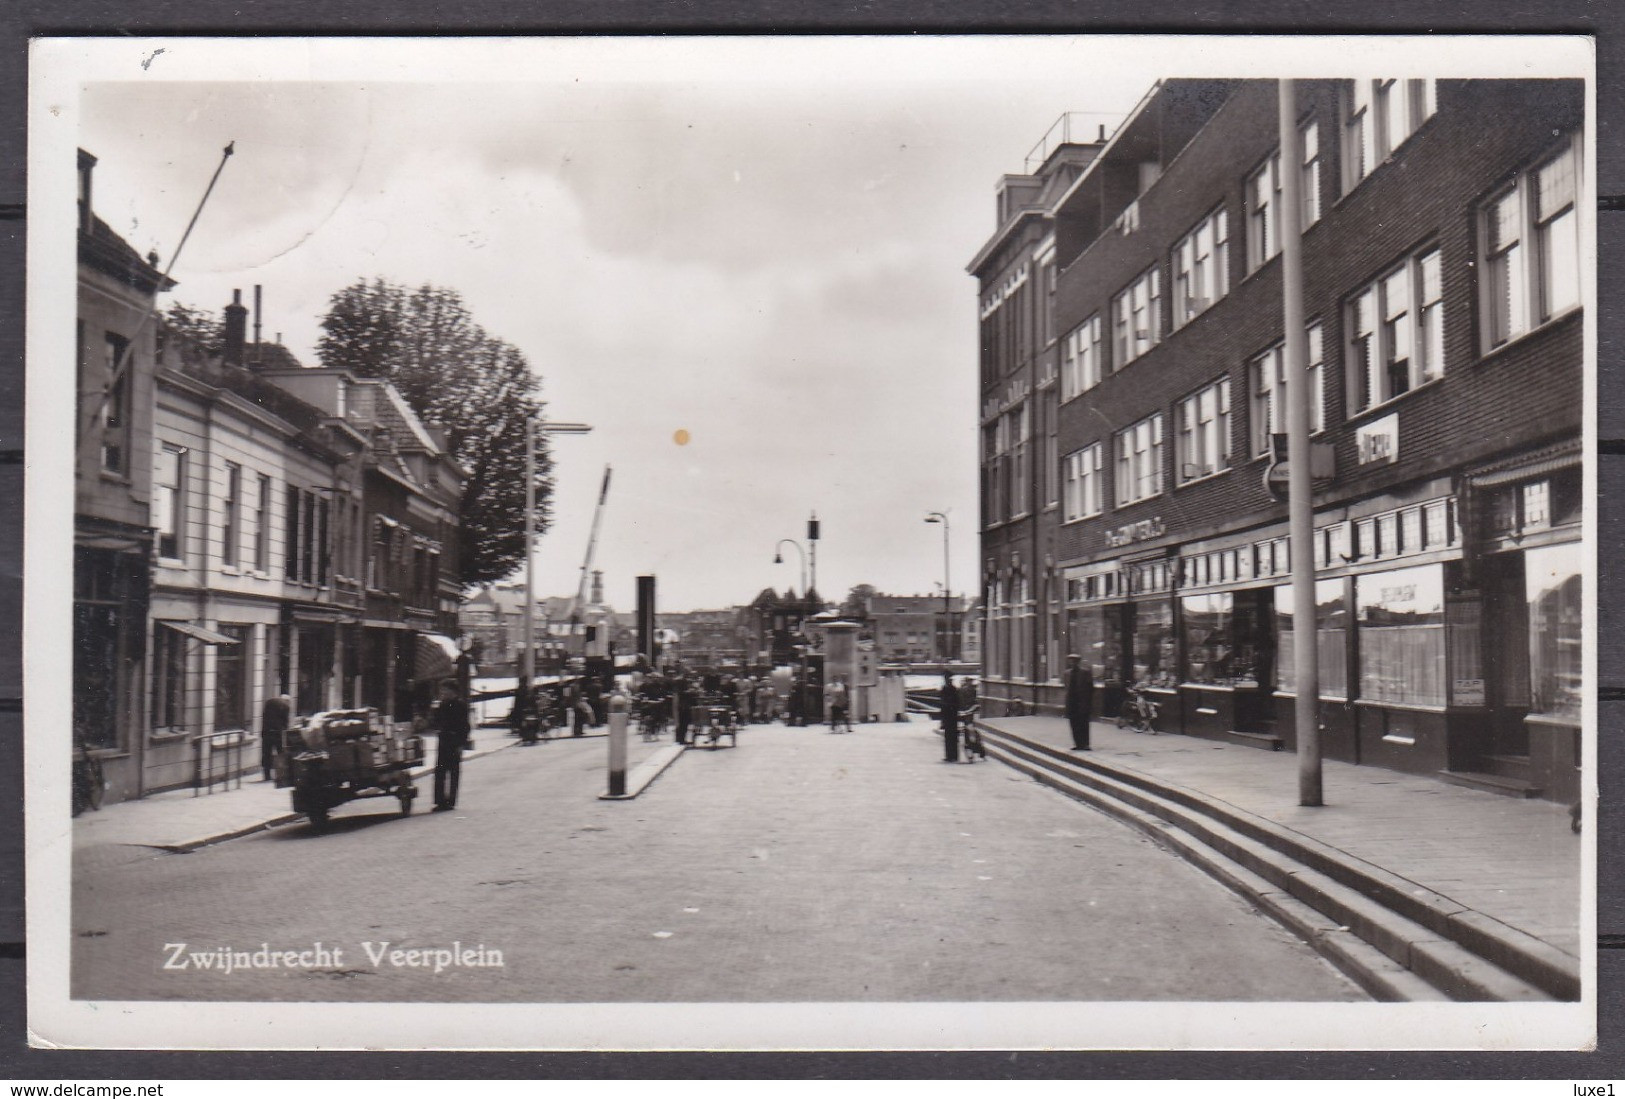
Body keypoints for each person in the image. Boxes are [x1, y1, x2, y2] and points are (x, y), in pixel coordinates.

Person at [431, 679, 472, 811]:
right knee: (440, 771)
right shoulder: (442, 705)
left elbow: (465, 726)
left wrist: (462, 743)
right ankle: (440, 801)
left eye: (445, 690)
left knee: (453, 772)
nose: (443, 693)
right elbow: (437, 722)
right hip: (443, 740)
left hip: (455, 741)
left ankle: (451, 801)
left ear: (452, 691)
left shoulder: (460, 705)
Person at [1065, 653, 1095, 751]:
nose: (1072, 663)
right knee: (1073, 723)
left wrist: (1087, 701)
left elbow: (1091, 688)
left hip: (1082, 702)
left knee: (1084, 723)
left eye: (1074, 661)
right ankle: (1077, 744)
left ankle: (1085, 744)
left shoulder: (1085, 672)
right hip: (1072, 702)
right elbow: (1066, 687)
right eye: (1071, 661)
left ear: (1078, 662)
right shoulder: (1067, 673)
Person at [259, 692, 292, 780]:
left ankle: (267, 775)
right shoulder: (286, 706)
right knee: (280, 753)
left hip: (266, 731)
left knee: (266, 754)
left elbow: (264, 716)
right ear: (287, 701)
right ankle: (280, 775)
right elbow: (285, 722)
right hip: (277, 733)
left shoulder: (269, 702)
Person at [939, 674, 960, 762]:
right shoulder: (945, 688)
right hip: (948, 715)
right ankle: (949, 755)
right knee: (948, 736)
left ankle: (953, 755)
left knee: (952, 736)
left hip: (951, 715)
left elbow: (955, 702)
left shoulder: (952, 689)